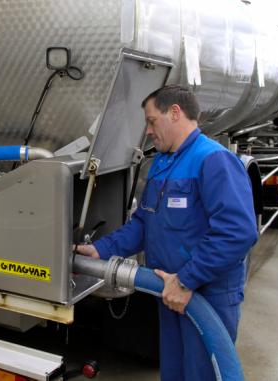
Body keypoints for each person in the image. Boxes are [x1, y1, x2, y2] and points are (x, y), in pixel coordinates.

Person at [75, 85, 258, 380]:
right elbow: (145, 223)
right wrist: (102, 250)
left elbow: (237, 232)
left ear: (175, 113)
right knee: (173, 372)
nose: (147, 131)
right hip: (169, 293)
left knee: (203, 374)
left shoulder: (213, 160)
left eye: (151, 120)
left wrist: (187, 281)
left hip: (205, 293)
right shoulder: (162, 162)